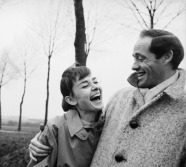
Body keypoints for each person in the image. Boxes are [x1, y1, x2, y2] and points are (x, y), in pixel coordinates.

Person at [28, 29, 186, 167]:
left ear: (166, 57)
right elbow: (85, 126)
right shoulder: (118, 98)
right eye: (134, 58)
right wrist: (45, 138)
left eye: (141, 58)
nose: (133, 66)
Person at [27, 64, 104, 167]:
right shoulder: (55, 128)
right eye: (85, 85)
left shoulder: (111, 123)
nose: (95, 87)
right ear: (71, 100)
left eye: (95, 82)